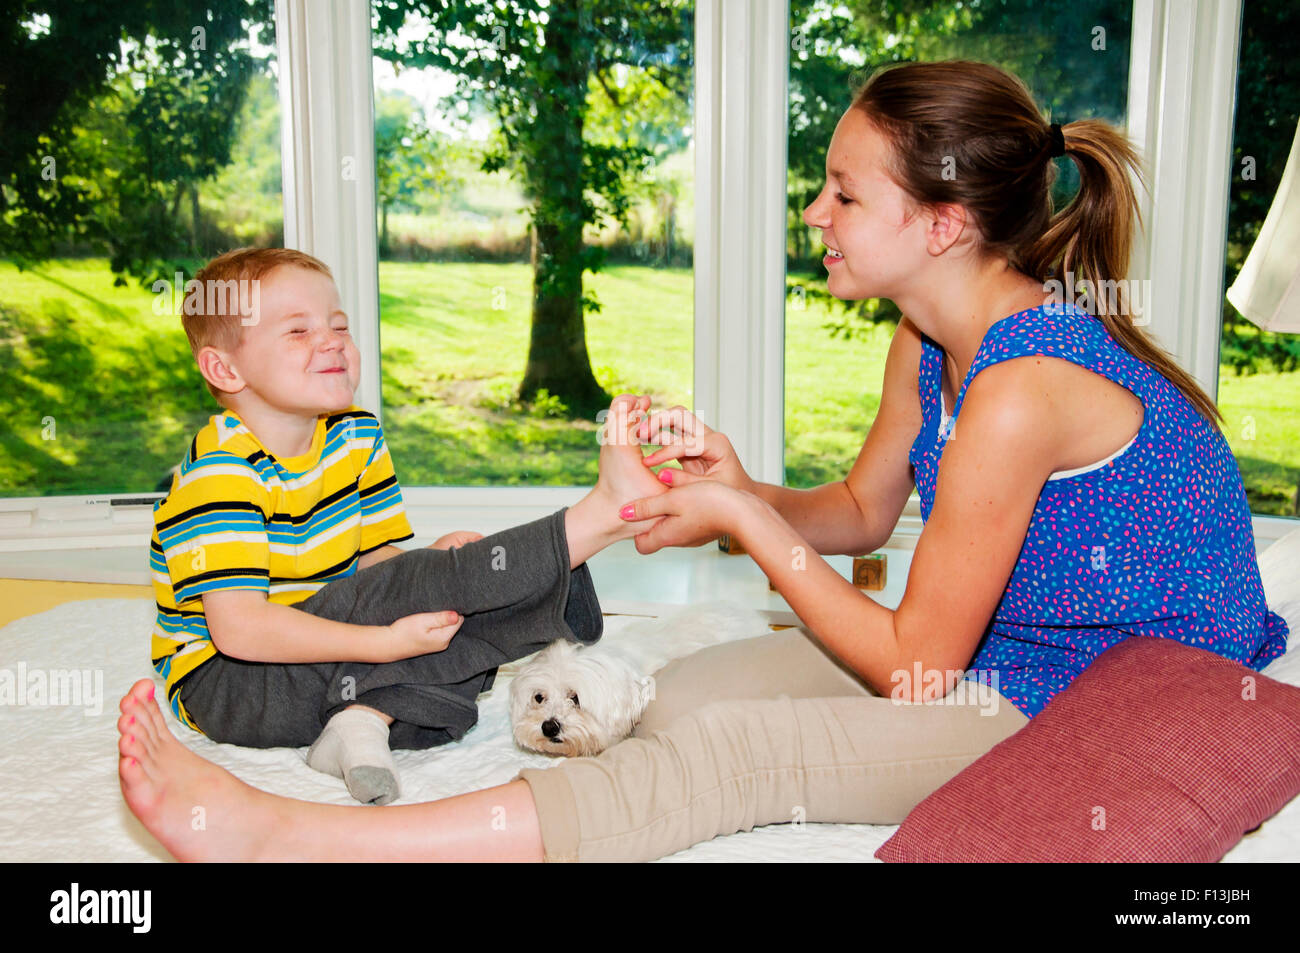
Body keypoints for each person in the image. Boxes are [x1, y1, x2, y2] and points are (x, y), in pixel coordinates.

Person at [117, 59, 1288, 862]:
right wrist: (742, 488)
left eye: (843, 192)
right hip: (990, 646)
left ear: (939, 225)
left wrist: (746, 521)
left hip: (1101, 691)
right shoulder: (928, 339)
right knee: (669, 698)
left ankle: (297, 838)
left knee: (725, 758)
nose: (814, 211)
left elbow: (911, 662)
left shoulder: (1022, 388)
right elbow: (860, 510)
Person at [149, 246, 667, 806]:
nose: (332, 341)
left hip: (325, 668)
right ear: (225, 369)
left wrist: (432, 565)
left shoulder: (354, 435)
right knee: (424, 610)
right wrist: (383, 642)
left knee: (449, 620)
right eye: (298, 331)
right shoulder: (220, 474)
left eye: (339, 325)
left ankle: (362, 721)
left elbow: (377, 565)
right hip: (233, 684)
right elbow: (241, 632)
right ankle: (604, 514)